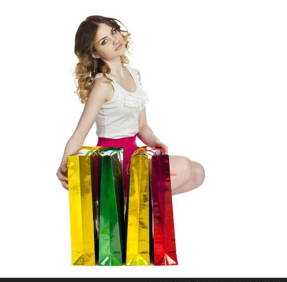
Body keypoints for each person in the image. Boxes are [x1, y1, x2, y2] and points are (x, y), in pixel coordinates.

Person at [56, 15, 205, 201]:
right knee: (182, 167)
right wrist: (63, 164)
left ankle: (138, 204)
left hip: (135, 154)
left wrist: (156, 143)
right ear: (95, 53)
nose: (115, 40)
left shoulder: (134, 74)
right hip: (113, 162)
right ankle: (133, 203)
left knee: (197, 172)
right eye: (104, 41)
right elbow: (80, 133)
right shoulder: (103, 85)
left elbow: (142, 126)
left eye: (113, 31)